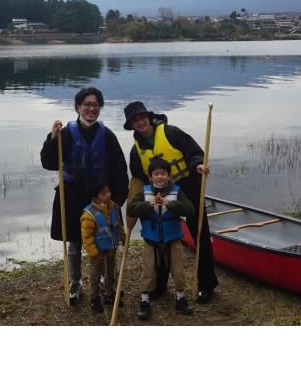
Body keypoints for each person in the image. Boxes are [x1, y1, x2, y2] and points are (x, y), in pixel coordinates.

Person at [123, 100, 219, 304]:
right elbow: (139, 179)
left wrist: (198, 166)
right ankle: (159, 285)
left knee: (200, 234)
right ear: (131, 125)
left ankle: (207, 284)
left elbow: (194, 153)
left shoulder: (171, 133)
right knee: (161, 237)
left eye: (142, 117)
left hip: (188, 187)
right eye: (134, 121)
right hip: (160, 194)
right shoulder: (135, 152)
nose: (140, 122)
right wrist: (136, 206)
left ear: (148, 117)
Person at [40, 87, 128, 304]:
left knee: (106, 240)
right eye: (87, 105)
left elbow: (119, 169)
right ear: (77, 107)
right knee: (76, 242)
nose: (91, 109)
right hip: (72, 196)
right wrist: (52, 139)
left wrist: (117, 200)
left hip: (100, 199)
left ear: (100, 108)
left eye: (95, 105)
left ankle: (106, 282)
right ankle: (75, 282)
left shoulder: (107, 136)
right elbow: (49, 163)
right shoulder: (65, 134)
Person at [127, 157, 195, 320]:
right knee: (148, 271)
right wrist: (148, 204)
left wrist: (169, 204)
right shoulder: (144, 192)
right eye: (156, 174)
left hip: (173, 239)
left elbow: (190, 210)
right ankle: (144, 302)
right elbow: (131, 209)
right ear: (150, 177)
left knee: (178, 271)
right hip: (151, 240)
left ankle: (180, 298)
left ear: (169, 175)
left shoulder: (177, 191)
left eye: (163, 173)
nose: (159, 177)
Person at [80, 178, 126, 314]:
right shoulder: (89, 215)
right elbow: (86, 237)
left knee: (110, 272)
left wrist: (124, 238)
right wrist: (94, 253)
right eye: (103, 194)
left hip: (111, 248)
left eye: (108, 192)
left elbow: (118, 226)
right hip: (97, 252)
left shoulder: (113, 207)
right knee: (95, 275)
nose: (108, 195)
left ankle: (110, 294)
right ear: (95, 197)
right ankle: (94, 299)